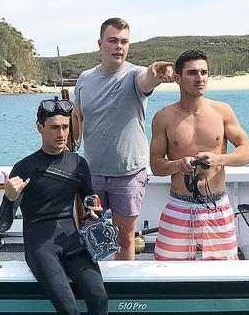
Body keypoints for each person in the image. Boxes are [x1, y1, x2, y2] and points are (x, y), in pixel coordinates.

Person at [0, 98, 156, 315]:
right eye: (53, 127)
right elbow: (3, 224)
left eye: (65, 127)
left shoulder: (78, 164)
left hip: (71, 240)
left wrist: (94, 209)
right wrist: (10, 197)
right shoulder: (24, 166)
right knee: (69, 309)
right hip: (40, 243)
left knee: (98, 299)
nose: (60, 134)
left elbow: (88, 202)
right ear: (39, 128)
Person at [71, 17, 174, 260]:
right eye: (113, 40)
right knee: (90, 233)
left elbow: (147, 80)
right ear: (100, 43)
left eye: (124, 42)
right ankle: (94, 285)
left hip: (128, 174)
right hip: (92, 172)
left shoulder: (134, 75)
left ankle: (121, 291)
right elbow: (78, 117)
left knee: (124, 237)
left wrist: (156, 73)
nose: (119, 46)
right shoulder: (85, 79)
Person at [150, 50, 249, 261]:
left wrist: (218, 159)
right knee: (166, 274)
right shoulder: (163, 118)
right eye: (192, 73)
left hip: (217, 207)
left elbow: (247, 152)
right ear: (178, 79)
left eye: (204, 72)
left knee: (223, 277)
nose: (200, 78)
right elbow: (156, 166)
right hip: (178, 206)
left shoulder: (222, 111)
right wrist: (179, 164)